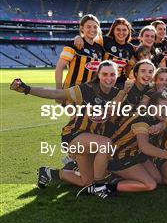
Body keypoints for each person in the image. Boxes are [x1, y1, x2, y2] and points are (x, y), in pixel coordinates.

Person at [11, 61, 121, 198]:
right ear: (98, 74)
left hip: (92, 141)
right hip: (74, 136)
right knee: (105, 144)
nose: (109, 78)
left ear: (118, 75)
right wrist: (27, 89)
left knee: (86, 181)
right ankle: (99, 186)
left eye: (112, 74)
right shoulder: (85, 90)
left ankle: (49, 172)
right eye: (104, 74)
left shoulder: (118, 94)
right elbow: (56, 94)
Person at [55, 14, 104, 91]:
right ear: (82, 28)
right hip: (72, 92)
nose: (92, 29)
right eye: (88, 27)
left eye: (95, 27)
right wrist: (58, 91)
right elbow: (59, 68)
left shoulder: (100, 48)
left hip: (91, 94)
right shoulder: (73, 45)